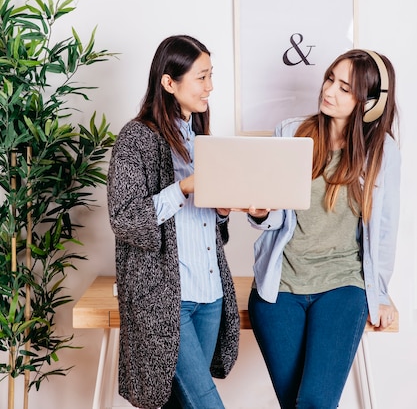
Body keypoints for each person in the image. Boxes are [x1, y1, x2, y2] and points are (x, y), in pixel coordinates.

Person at [247, 49, 401, 409]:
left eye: (345, 88)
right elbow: (272, 218)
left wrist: (379, 293)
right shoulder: (290, 133)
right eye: (330, 78)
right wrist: (259, 213)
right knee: (296, 403)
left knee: (314, 401)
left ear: (371, 103)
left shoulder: (383, 151)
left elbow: (384, 230)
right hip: (280, 286)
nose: (329, 91)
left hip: (343, 285)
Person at [107, 35, 240, 409]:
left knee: (180, 405)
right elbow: (125, 217)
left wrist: (222, 211)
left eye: (211, 76)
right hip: (166, 299)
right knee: (206, 404)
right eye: (201, 77)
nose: (210, 87)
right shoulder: (136, 139)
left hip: (211, 294)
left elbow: (206, 228)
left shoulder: (202, 139)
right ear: (169, 82)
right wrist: (183, 187)